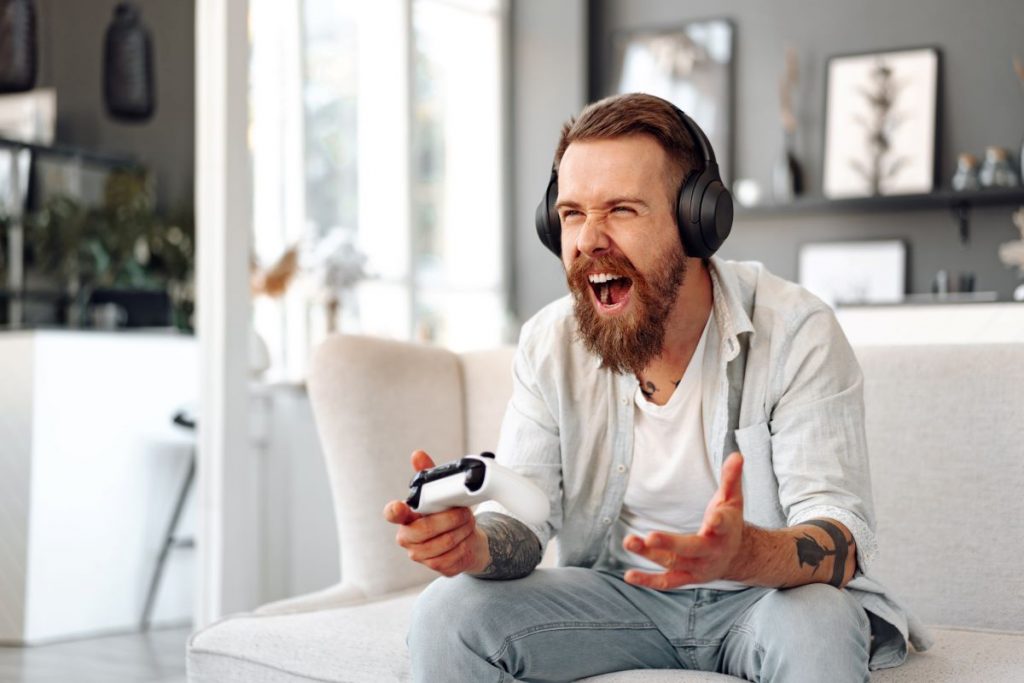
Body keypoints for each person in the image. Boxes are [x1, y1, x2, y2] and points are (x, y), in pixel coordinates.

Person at [383, 93, 929, 682]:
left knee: (821, 621)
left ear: (698, 221)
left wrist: (743, 553)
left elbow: (842, 536)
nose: (589, 240)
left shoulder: (796, 331)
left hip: (765, 600)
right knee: (448, 612)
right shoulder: (550, 343)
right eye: (571, 214)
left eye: (620, 209)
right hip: (618, 598)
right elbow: (526, 517)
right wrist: (475, 548)